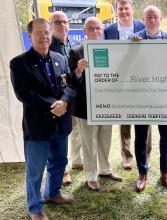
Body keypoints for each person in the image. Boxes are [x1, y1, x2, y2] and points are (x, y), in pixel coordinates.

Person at [10, 18, 75, 220]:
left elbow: (69, 85)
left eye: (46, 32)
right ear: (30, 36)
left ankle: (53, 193)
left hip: (60, 123)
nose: (44, 36)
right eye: (38, 33)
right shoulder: (19, 63)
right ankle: (35, 208)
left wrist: (64, 102)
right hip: (37, 127)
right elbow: (24, 94)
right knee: (35, 170)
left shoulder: (60, 58)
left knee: (59, 161)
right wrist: (52, 105)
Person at [68, 17, 122, 191]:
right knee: (89, 141)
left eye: (98, 28)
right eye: (90, 29)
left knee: (105, 138)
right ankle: (91, 175)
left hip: (107, 103)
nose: (95, 32)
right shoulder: (76, 52)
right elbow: (71, 81)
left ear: (103, 30)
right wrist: (78, 70)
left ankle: (105, 169)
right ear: (85, 31)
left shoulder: (111, 50)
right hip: (86, 106)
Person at [131, 5, 167, 192]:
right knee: (141, 138)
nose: (151, 21)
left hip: (164, 98)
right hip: (141, 98)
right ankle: (142, 173)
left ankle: (165, 172)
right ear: (143, 19)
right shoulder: (133, 40)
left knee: (165, 137)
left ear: (161, 19)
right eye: (148, 17)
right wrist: (130, 49)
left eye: (155, 17)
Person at [104, 0, 152, 170]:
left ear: (132, 9)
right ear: (116, 11)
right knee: (124, 119)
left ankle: (146, 154)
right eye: (120, 9)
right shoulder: (109, 31)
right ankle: (127, 156)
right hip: (121, 81)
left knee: (145, 118)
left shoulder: (142, 26)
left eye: (127, 8)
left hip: (142, 79)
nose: (124, 11)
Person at [49, 11, 82, 185]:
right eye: (57, 22)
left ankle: (77, 160)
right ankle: (63, 171)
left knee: (75, 130)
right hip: (60, 98)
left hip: (77, 95)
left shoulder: (76, 44)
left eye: (64, 22)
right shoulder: (48, 46)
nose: (62, 25)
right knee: (60, 135)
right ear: (50, 26)